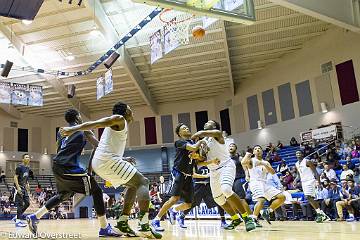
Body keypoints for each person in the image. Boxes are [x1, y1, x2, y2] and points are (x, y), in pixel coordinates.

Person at [58, 102, 162, 239]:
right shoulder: (119, 118)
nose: (133, 113)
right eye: (130, 110)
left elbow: (101, 145)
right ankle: (144, 225)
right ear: (124, 112)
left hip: (103, 162)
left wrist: (123, 158)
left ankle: (123, 222)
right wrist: (73, 129)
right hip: (107, 162)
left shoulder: (119, 125)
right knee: (143, 181)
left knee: (133, 185)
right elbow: (98, 123)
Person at [27, 109, 119, 237]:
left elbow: (59, 148)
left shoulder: (61, 131)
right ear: (77, 117)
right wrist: (91, 169)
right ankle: (104, 227)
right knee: (97, 191)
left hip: (57, 165)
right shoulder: (83, 129)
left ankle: (35, 216)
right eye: (80, 115)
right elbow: (99, 147)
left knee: (64, 194)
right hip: (68, 166)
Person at [191, 120, 256, 231]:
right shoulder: (203, 142)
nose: (206, 122)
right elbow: (200, 162)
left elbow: (202, 134)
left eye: (209, 122)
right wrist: (198, 157)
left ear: (214, 126)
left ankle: (247, 218)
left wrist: (195, 136)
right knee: (218, 199)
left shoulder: (217, 134)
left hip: (226, 166)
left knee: (226, 189)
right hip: (213, 171)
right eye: (206, 122)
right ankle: (235, 218)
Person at [151, 123, 217, 230]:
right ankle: (156, 220)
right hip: (178, 173)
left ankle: (174, 210)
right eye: (183, 128)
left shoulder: (192, 142)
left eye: (187, 127)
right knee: (174, 199)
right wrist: (201, 141)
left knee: (188, 204)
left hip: (189, 176)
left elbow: (197, 163)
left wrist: (211, 161)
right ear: (179, 133)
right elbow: (194, 147)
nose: (186, 128)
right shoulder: (180, 142)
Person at [241, 146, 285, 225]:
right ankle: (253, 220)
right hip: (255, 182)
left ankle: (267, 211)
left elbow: (272, 172)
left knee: (282, 197)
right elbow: (243, 163)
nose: (257, 150)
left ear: (262, 151)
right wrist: (248, 154)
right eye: (255, 149)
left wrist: (264, 164)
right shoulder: (252, 160)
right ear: (254, 152)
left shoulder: (266, 162)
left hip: (265, 183)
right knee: (261, 200)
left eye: (259, 148)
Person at [179, 164, 230, 229]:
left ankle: (223, 221)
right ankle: (181, 217)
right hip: (198, 186)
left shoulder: (210, 163)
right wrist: (205, 176)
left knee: (219, 201)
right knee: (192, 204)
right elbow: (193, 174)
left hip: (209, 186)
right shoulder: (194, 164)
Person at [295, 150, 330, 223]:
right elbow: (299, 175)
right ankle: (321, 214)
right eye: (297, 153)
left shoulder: (307, 161)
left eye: (299, 153)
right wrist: (295, 180)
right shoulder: (296, 164)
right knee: (310, 198)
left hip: (310, 181)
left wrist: (319, 182)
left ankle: (320, 214)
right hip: (303, 182)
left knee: (308, 197)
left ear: (302, 154)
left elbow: (316, 172)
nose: (298, 154)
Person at [229, 143, 252, 216]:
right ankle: (238, 218)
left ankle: (252, 218)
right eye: (230, 146)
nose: (231, 147)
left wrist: (247, 176)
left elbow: (245, 169)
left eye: (233, 146)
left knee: (241, 199)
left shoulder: (240, 158)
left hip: (239, 179)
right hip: (230, 180)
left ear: (236, 149)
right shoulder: (227, 159)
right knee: (232, 200)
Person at [13, 153, 31, 227]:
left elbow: (26, 179)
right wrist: (18, 187)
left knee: (27, 203)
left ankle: (17, 216)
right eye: (26, 157)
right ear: (23, 159)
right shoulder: (19, 167)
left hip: (24, 188)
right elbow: (15, 177)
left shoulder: (28, 168)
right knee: (20, 204)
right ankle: (18, 222)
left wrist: (27, 185)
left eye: (29, 157)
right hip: (18, 187)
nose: (28, 158)